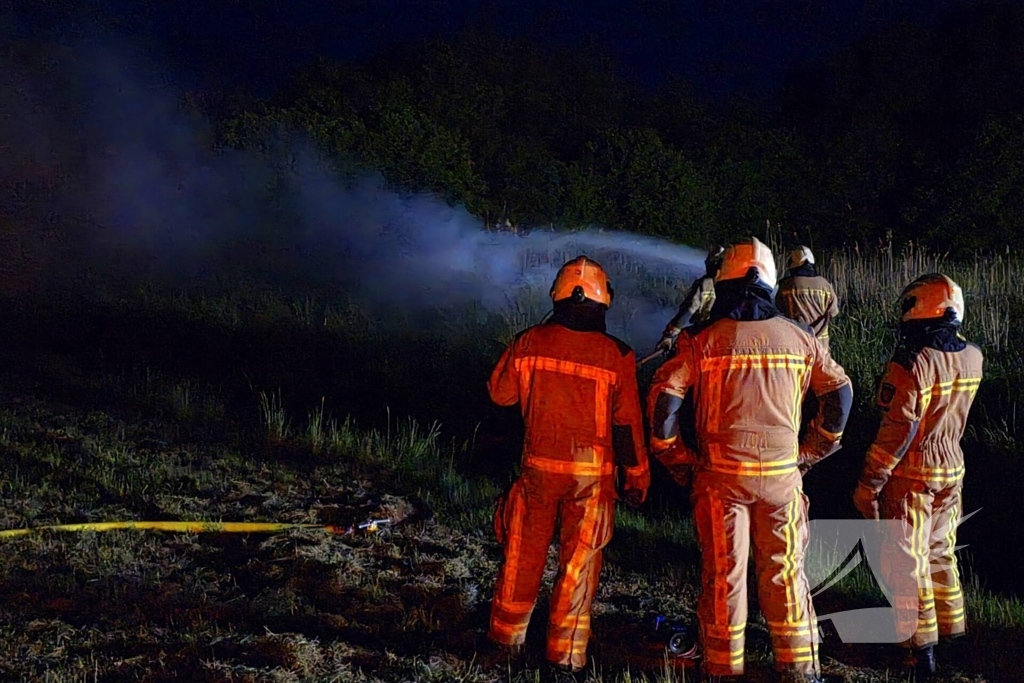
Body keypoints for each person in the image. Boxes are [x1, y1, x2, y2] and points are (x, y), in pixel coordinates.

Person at [647, 237, 853, 683]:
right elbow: (839, 394)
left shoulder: (701, 341)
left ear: (724, 282)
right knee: (784, 573)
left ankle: (723, 668)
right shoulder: (800, 339)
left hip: (720, 481)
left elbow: (664, 403)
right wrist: (812, 452)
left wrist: (677, 460)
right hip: (781, 479)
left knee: (725, 575)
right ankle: (800, 669)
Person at [485, 255, 650, 676]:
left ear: (557, 297)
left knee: (522, 555)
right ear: (603, 304)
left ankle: (505, 643)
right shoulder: (618, 355)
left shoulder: (528, 342)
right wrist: (636, 476)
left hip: (537, 471)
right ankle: (565, 657)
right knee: (578, 565)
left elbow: (500, 395)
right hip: (591, 482)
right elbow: (626, 426)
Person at [852, 273, 983, 679]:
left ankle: (917, 652)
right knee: (942, 554)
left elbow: (898, 428)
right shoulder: (974, 356)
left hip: (911, 474)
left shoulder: (912, 362)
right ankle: (954, 637)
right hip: (952, 469)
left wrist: (870, 481)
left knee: (907, 563)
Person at [655, 246, 725, 355]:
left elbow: (688, 310)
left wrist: (669, 336)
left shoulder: (705, 284)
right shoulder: (735, 286)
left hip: (703, 338)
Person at [776, 246, 841, 353]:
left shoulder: (786, 285)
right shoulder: (825, 284)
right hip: (821, 345)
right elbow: (833, 312)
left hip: (796, 343)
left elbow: (779, 307)